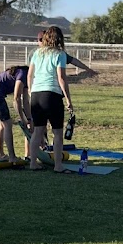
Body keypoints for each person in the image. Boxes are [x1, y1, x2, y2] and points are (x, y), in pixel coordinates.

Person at [28, 26, 74, 173]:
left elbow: (29, 75)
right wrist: (68, 100)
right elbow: (61, 78)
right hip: (52, 95)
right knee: (58, 132)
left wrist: (30, 91)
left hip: (36, 95)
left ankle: (33, 163)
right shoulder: (59, 54)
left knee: (38, 131)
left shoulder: (37, 52)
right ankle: (58, 165)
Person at [0, 65, 31, 161]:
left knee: (2, 125)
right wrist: (22, 119)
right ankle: (12, 157)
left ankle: (0, 154)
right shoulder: (22, 74)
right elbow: (16, 98)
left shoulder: (26, 77)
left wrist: (29, 119)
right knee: (7, 124)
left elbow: (25, 101)